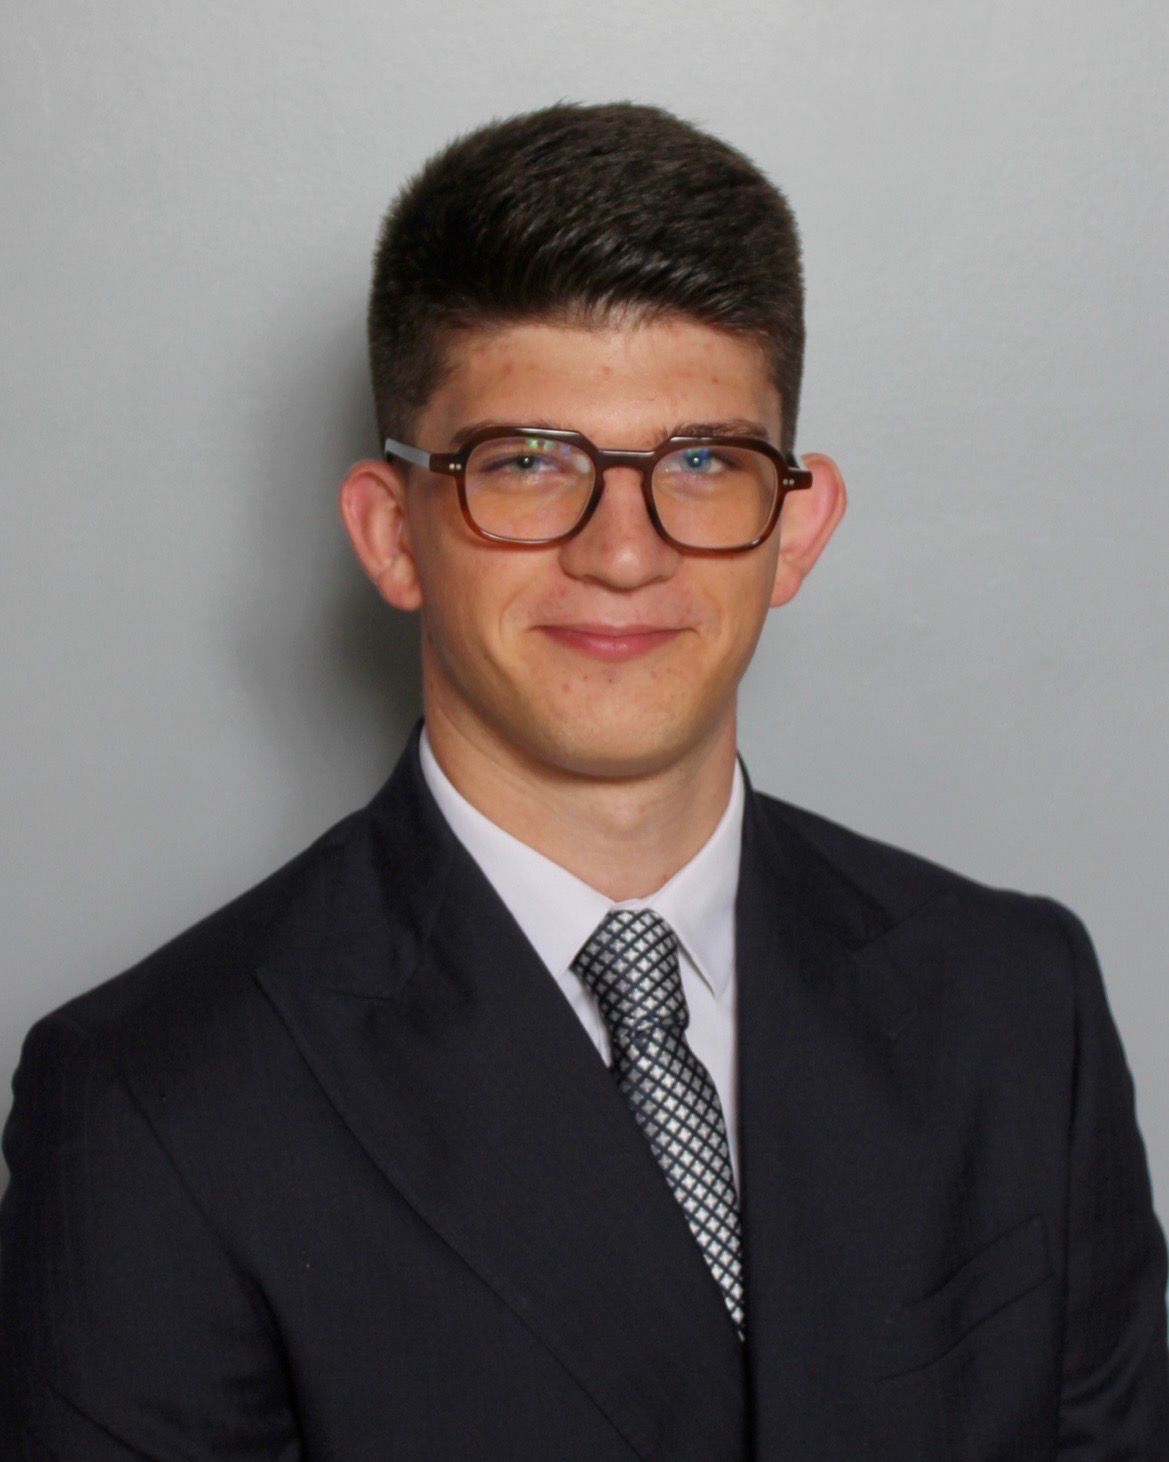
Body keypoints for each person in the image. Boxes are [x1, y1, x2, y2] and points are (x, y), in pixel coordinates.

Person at [1, 101, 1166, 1461]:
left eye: (702, 462)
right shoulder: (153, 1108)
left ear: (794, 530)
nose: (623, 551)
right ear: (392, 534)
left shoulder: (1018, 1009)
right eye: (528, 463)